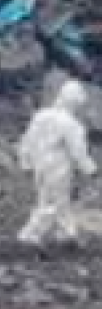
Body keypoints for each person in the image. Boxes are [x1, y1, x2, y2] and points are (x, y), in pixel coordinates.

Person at [18, 79, 97, 245]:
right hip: (59, 167)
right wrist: (90, 170)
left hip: (39, 165)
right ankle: (28, 236)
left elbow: (27, 141)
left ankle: (67, 235)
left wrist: (25, 162)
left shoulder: (40, 116)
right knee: (53, 203)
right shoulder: (71, 124)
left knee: (58, 202)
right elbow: (78, 152)